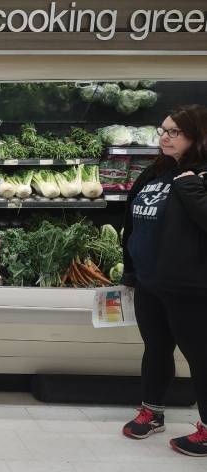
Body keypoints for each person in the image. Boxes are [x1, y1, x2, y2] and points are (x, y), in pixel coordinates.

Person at [120, 104, 207, 457]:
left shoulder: (199, 177)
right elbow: (134, 221)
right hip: (149, 282)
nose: (165, 138)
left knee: (201, 357)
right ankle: (152, 412)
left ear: (198, 137)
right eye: (163, 130)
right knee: (156, 349)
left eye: (174, 132)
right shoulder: (155, 174)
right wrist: (131, 270)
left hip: (191, 287)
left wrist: (191, 189)